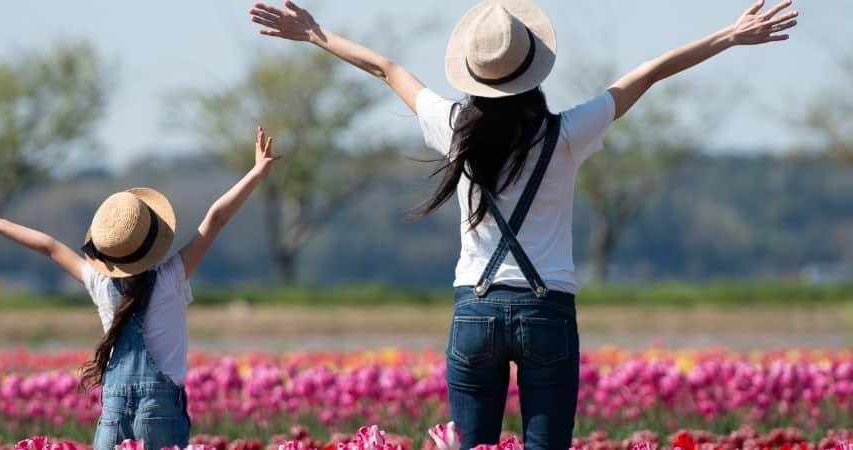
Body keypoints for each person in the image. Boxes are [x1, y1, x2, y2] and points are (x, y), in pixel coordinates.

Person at [248, 0, 798, 448]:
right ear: (533, 70)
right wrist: (728, 35)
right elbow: (648, 73)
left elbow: (387, 68)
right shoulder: (565, 134)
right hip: (547, 311)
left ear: (473, 76)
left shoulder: (453, 127)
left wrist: (315, 32)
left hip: (475, 310)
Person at [0, 128, 281, 450]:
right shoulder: (171, 278)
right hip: (161, 411)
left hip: (113, 410)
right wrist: (256, 172)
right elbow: (216, 218)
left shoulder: (99, 282)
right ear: (154, 240)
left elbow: (50, 247)